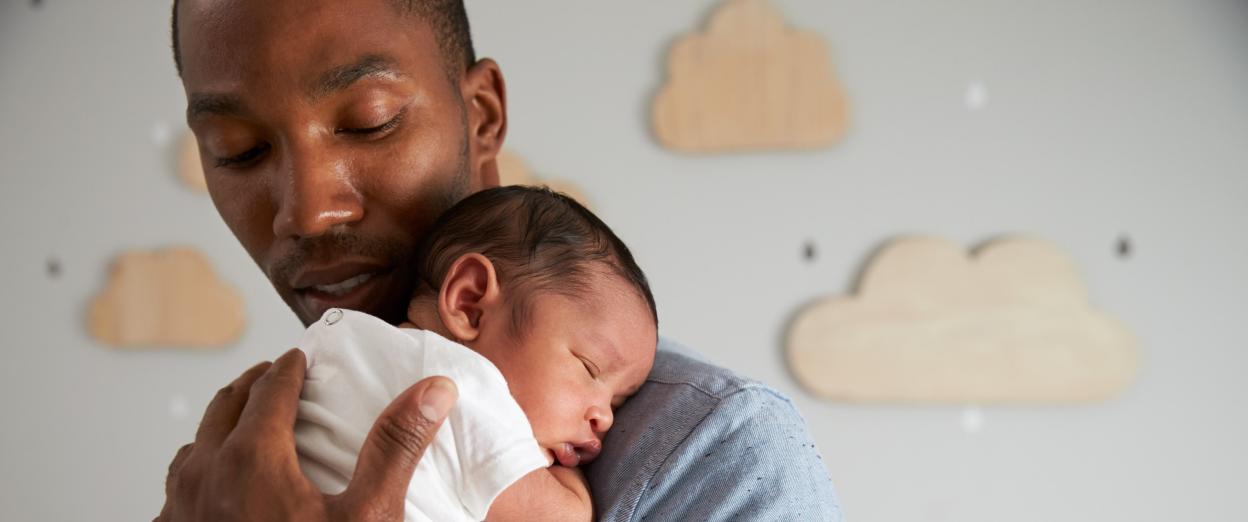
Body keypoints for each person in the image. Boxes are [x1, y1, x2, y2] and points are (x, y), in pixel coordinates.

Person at [159, 0, 844, 520]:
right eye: (238, 149)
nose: (306, 213)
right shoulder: (242, 456)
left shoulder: (714, 452)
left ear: (481, 115)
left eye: (369, 121)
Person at [294, 186, 658, 521]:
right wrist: (569, 479)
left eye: (618, 403)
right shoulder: (463, 384)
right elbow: (561, 517)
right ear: (471, 304)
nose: (605, 419)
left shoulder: (341, 348)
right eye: (589, 367)